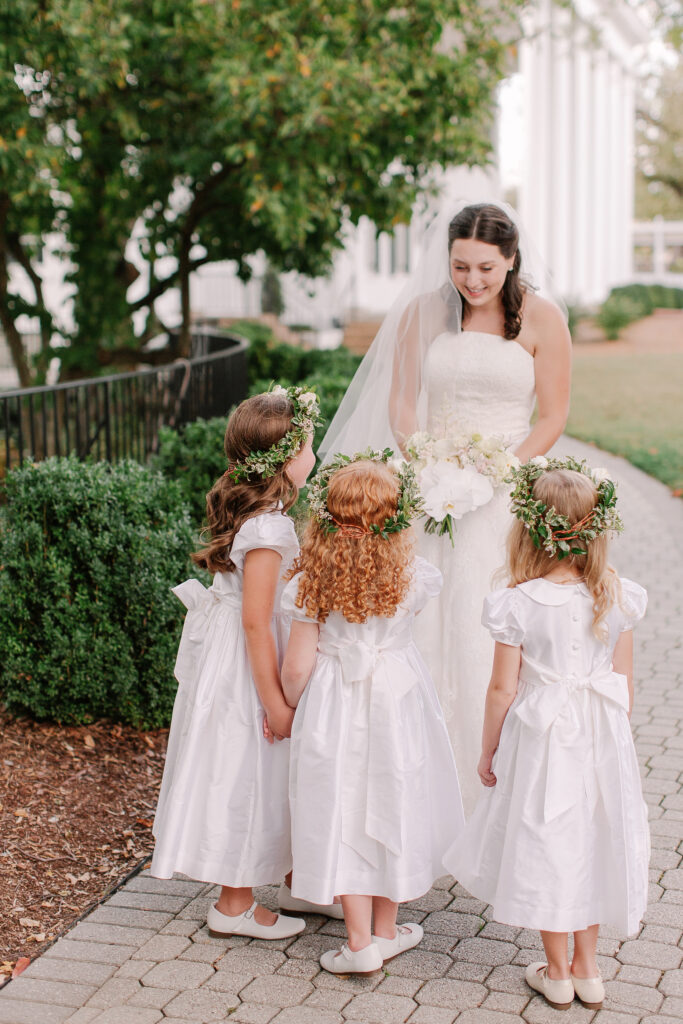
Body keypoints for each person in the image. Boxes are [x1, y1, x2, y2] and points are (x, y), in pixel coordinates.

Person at [319, 201, 572, 812]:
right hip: (433, 494)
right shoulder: (420, 314)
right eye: (461, 266)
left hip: (503, 494)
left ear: (511, 260)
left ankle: (494, 785)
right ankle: (412, 791)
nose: (474, 280)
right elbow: (402, 407)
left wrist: (501, 471)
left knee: (491, 627)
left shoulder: (542, 317)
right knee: (424, 626)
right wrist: (427, 465)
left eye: (487, 267)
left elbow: (555, 415)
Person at [444, 458, 649, 1011]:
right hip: (599, 734)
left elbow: (501, 691)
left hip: (543, 738)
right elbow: (622, 684)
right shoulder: (618, 596)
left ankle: (556, 972)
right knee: (591, 835)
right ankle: (590, 968)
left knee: (548, 839)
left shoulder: (519, 602)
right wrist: (613, 747)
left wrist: (488, 751)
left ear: (528, 532)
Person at [151, 386, 340, 939]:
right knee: (249, 770)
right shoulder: (269, 528)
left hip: (246, 656)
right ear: (284, 460)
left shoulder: (264, 513)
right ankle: (233, 905)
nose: (315, 454)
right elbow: (257, 620)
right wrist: (276, 702)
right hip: (248, 669)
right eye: (307, 446)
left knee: (276, 774)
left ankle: (294, 879)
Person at [279, 453, 465, 974]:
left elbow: (296, 667)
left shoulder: (310, 583)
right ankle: (387, 928)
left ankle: (362, 941)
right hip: (399, 700)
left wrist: (293, 705)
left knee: (340, 806)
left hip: (335, 703)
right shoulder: (414, 576)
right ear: (397, 522)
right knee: (394, 795)